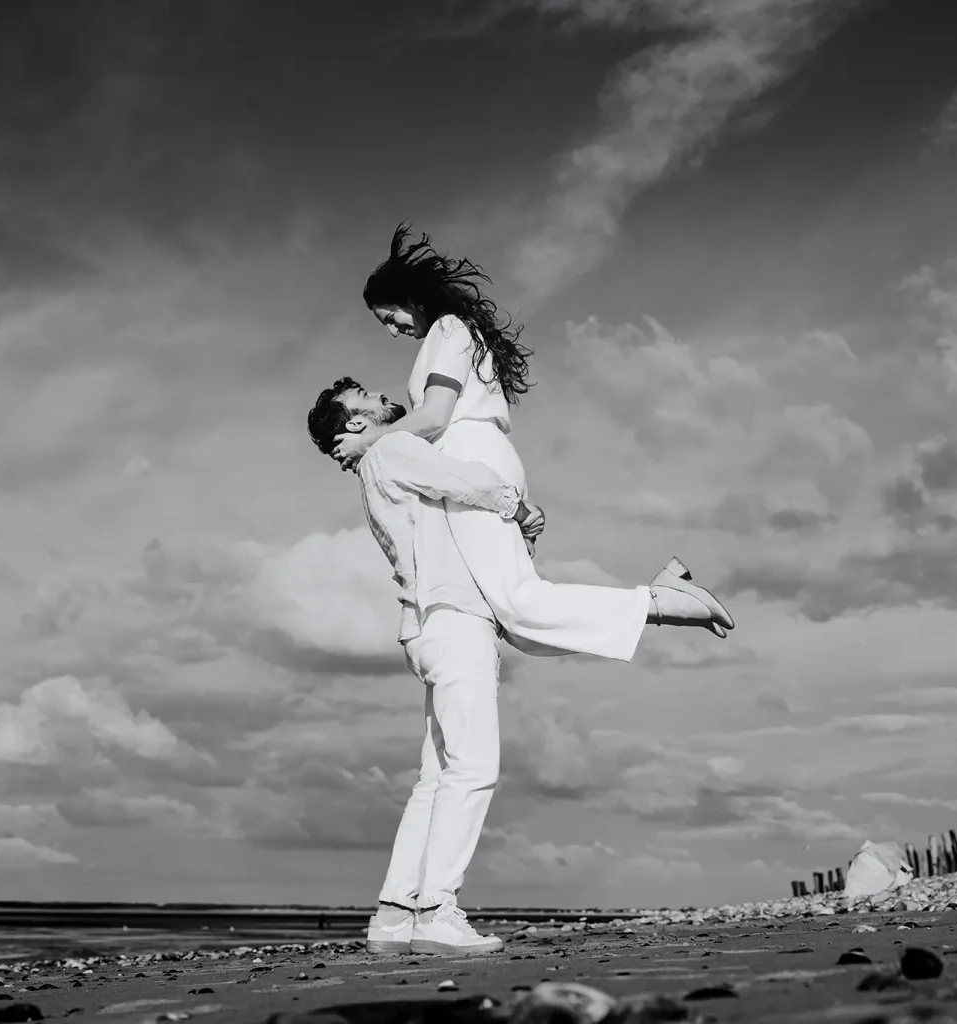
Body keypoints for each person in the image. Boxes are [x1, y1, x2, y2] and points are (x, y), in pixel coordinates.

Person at [305, 379, 732, 957]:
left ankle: (394, 915)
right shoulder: (390, 449)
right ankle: (435, 911)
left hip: (423, 627)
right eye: (368, 398)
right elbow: (467, 481)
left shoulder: (373, 471)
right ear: (354, 423)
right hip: (454, 619)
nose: (384, 398)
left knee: (435, 779)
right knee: (472, 769)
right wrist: (519, 508)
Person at [329, 224, 735, 656]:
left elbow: (435, 415)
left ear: (409, 299)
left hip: (470, 456)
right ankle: (658, 598)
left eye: (391, 319)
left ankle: (659, 600)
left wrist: (369, 443)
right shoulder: (453, 334)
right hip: (482, 461)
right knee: (518, 626)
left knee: (518, 604)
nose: (394, 331)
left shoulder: (447, 329)